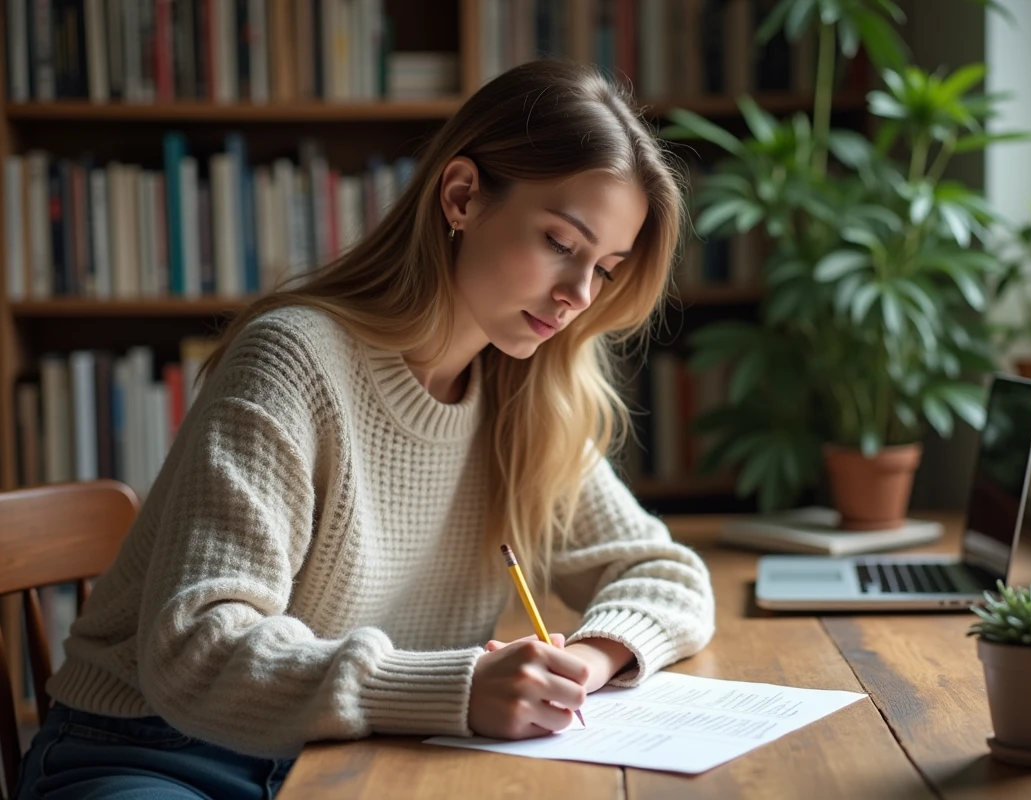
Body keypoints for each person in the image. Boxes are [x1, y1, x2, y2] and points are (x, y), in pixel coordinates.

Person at [15, 60, 716, 800]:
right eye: (559, 242)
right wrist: (457, 687)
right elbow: (197, 650)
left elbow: (666, 575)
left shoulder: (527, 394)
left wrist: (588, 659)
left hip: (355, 761)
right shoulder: (294, 361)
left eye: (604, 269)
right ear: (462, 196)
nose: (578, 295)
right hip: (158, 753)